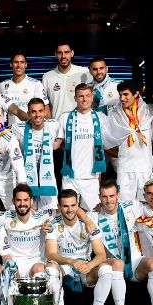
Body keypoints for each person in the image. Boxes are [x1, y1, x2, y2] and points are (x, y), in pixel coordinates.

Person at [94, 180, 153, 305]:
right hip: (112, 262)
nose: (109, 200)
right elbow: (76, 214)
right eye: (104, 196)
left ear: (118, 195)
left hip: (134, 260)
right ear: (99, 197)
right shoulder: (94, 215)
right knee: (117, 263)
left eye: (112, 196)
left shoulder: (131, 206)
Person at [44, 189, 112, 305]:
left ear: (78, 205)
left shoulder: (89, 223)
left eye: (73, 205)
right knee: (50, 269)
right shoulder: (52, 224)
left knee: (106, 269)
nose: (70, 210)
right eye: (65, 206)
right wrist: (70, 261)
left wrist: (90, 265)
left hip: (85, 266)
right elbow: (51, 254)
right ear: (59, 206)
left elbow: (101, 254)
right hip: (64, 265)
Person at [55, 83, 108, 211]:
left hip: (91, 176)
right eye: (81, 96)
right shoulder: (65, 117)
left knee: (94, 214)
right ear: (75, 98)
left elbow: (109, 143)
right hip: (70, 176)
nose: (84, 99)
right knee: (67, 212)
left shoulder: (101, 118)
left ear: (92, 97)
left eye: (87, 96)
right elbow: (57, 144)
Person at [105, 81, 153, 201]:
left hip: (145, 167)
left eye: (126, 94)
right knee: (125, 205)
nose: (122, 98)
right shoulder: (114, 115)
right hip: (125, 168)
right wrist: (121, 155)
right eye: (120, 95)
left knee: (146, 204)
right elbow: (106, 143)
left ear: (136, 94)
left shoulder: (149, 111)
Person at [11, 98, 61, 213]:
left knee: (49, 217)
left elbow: (62, 138)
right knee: (30, 216)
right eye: (33, 112)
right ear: (28, 114)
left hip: (48, 179)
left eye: (40, 111)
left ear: (45, 112)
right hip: (27, 180)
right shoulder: (18, 128)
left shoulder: (54, 125)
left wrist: (57, 143)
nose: (37, 115)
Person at [0, 51, 51, 128]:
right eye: (16, 62)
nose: (19, 65)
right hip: (11, 130)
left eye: (22, 62)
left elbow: (46, 112)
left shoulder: (35, 84)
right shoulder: (3, 85)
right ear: (11, 64)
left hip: (30, 130)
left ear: (26, 64)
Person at [42, 42, 92, 120]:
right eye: (60, 53)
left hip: (81, 124)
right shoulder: (47, 77)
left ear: (72, 53)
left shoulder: (84, 72)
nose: (63, 56)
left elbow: (92, 97)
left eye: (66, 52)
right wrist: (50, 122)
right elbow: (44, 104)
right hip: (57, 124)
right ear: (55, 54)